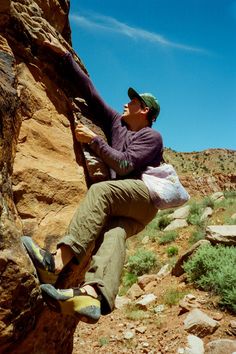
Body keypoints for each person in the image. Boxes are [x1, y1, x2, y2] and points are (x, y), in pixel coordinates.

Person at [21, 35, 163, 324]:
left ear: (144, 110)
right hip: (126, 209)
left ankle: (54, 263)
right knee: (114, 235)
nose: (126, 103)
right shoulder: (116, 123)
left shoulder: (151, 136)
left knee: (101, 192)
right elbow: (90, 92)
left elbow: (124, 166)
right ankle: (91, 295)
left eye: (132, 101)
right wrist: (64, 59)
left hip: (143, 200)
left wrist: (96, 142)